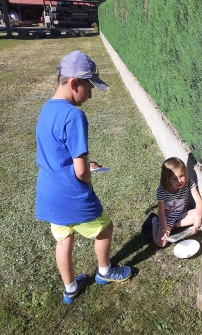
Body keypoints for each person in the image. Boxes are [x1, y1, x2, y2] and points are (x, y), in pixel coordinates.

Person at [35, 50, 131, 304]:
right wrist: (89, 175)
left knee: (63, 239)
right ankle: (105, 271)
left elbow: (60, 154)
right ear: (74, 83)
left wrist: (88, 163)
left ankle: (70, 288)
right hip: (72, 195)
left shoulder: (46, 108)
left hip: (49, 193)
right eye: (89, 88)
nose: (89, 95)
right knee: (105, 228)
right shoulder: (74, 115)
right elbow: (80, 172)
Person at [142, 157, 202, 247]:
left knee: (200, 214)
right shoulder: (161, 190)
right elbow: (161, 212)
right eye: (174, 178)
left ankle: (175, 225)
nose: (179, 181)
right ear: (167, 179)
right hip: (167, 217)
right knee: (160, 243)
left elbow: (198, 201)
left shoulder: (189, 182)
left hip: (182, 213)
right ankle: (154, 220)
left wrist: (198, 217)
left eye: (181, 176)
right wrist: (164, 229)